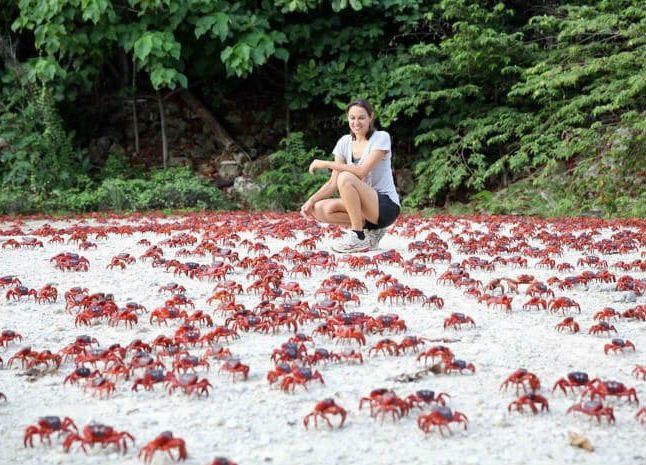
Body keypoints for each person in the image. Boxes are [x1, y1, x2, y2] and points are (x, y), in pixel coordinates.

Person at [301, 99, 400, 253]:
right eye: (352, 118)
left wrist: (326, 164)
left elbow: (361, 171)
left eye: (361, 117)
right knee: (318, 209)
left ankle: (357, 236)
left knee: (346, 177)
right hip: (363, 209)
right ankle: (370, 233)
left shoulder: (381, 137)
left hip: (385, 206)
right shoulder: (344, 142)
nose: (356, 122)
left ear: (370, 117)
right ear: (348, 119)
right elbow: (332, 183)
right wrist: (310, 201)